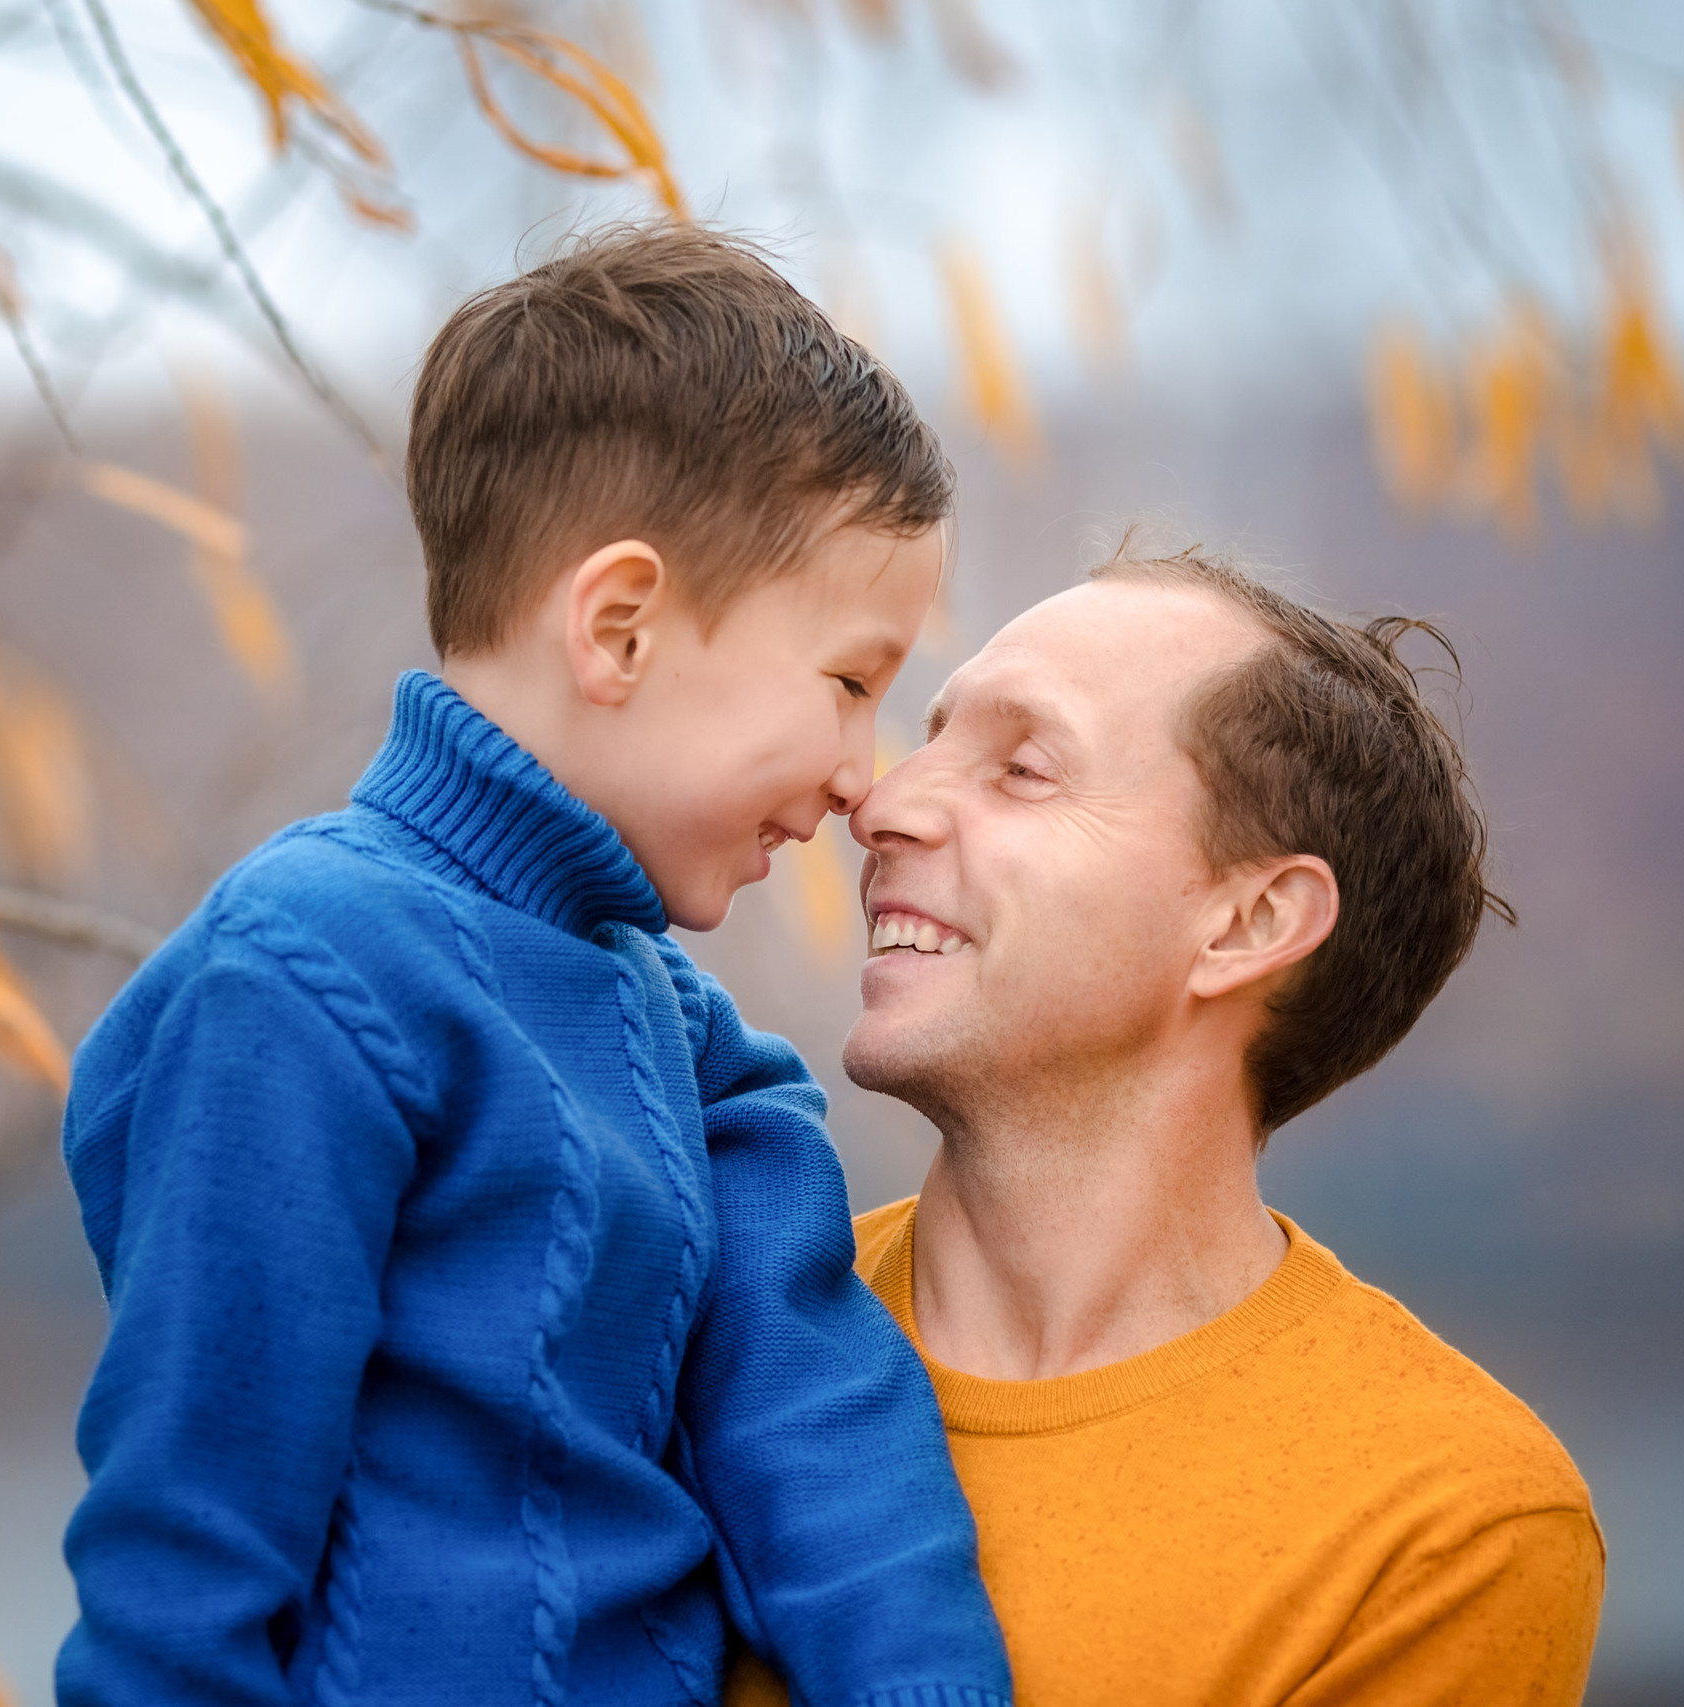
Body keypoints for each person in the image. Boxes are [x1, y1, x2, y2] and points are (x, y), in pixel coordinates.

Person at [55, 225, 1013, 1707]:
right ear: (618, 627)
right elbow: (184, 1549)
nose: (858, 777)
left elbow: (813, 1419)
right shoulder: (307, 980)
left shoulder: (688, 1040)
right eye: (848, 683)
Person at [732, 543, 1604, 1707]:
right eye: (928, 736)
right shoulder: (700, 1327)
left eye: (1023, 769)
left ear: (1246, 923)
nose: (882, 804)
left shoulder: (1441, 1520)